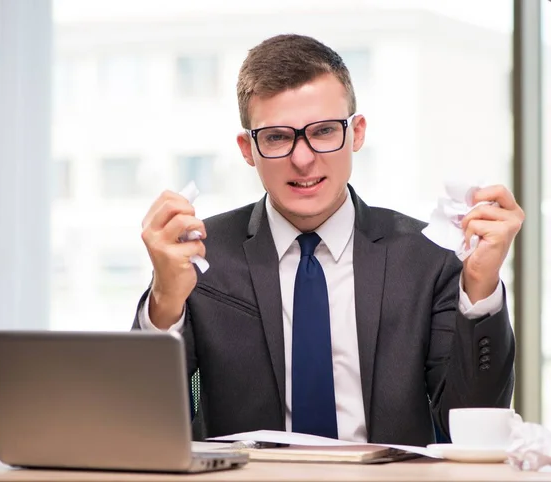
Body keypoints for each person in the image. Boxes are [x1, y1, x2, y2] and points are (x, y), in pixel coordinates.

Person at [132, 34, 524, 445]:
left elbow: (472, 428)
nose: (302, 159)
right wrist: (164, 302)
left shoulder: (427, 259)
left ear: (356, 133)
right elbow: (142, 423)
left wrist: (480, 287)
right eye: (278, 137)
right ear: (248, 148)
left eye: (323, 131)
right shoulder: (201, 256)